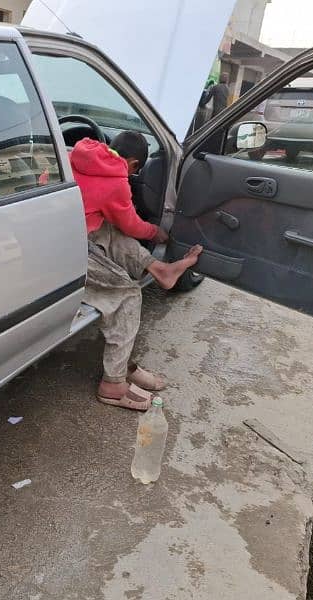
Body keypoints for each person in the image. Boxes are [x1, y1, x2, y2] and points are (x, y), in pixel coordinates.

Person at [70, 132, 203, 411]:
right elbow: (132, 225)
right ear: (132, 163)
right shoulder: (116, 181)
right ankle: (113, 384)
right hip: (69, 248)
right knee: (127, 296)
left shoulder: (77, 154)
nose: (133, 176)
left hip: (65, 228)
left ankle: (159, 269)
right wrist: (156, 232)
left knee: (109, 229)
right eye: (135, 171)